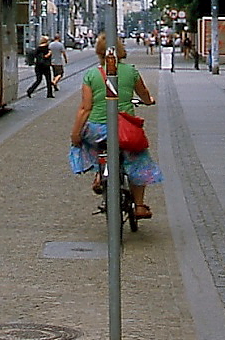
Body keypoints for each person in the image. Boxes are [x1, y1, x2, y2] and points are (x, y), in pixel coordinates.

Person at [69, 39, 163, 219]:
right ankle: (140, 206)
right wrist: (149, 100)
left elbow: (85, 108)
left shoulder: (90, 74)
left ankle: (100, 174)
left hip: (97, 129)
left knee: (93, 145)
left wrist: (75, 133)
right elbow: (143, 94)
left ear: (99, 52)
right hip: (124, 129)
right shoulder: (131, 71)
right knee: (138, 158)